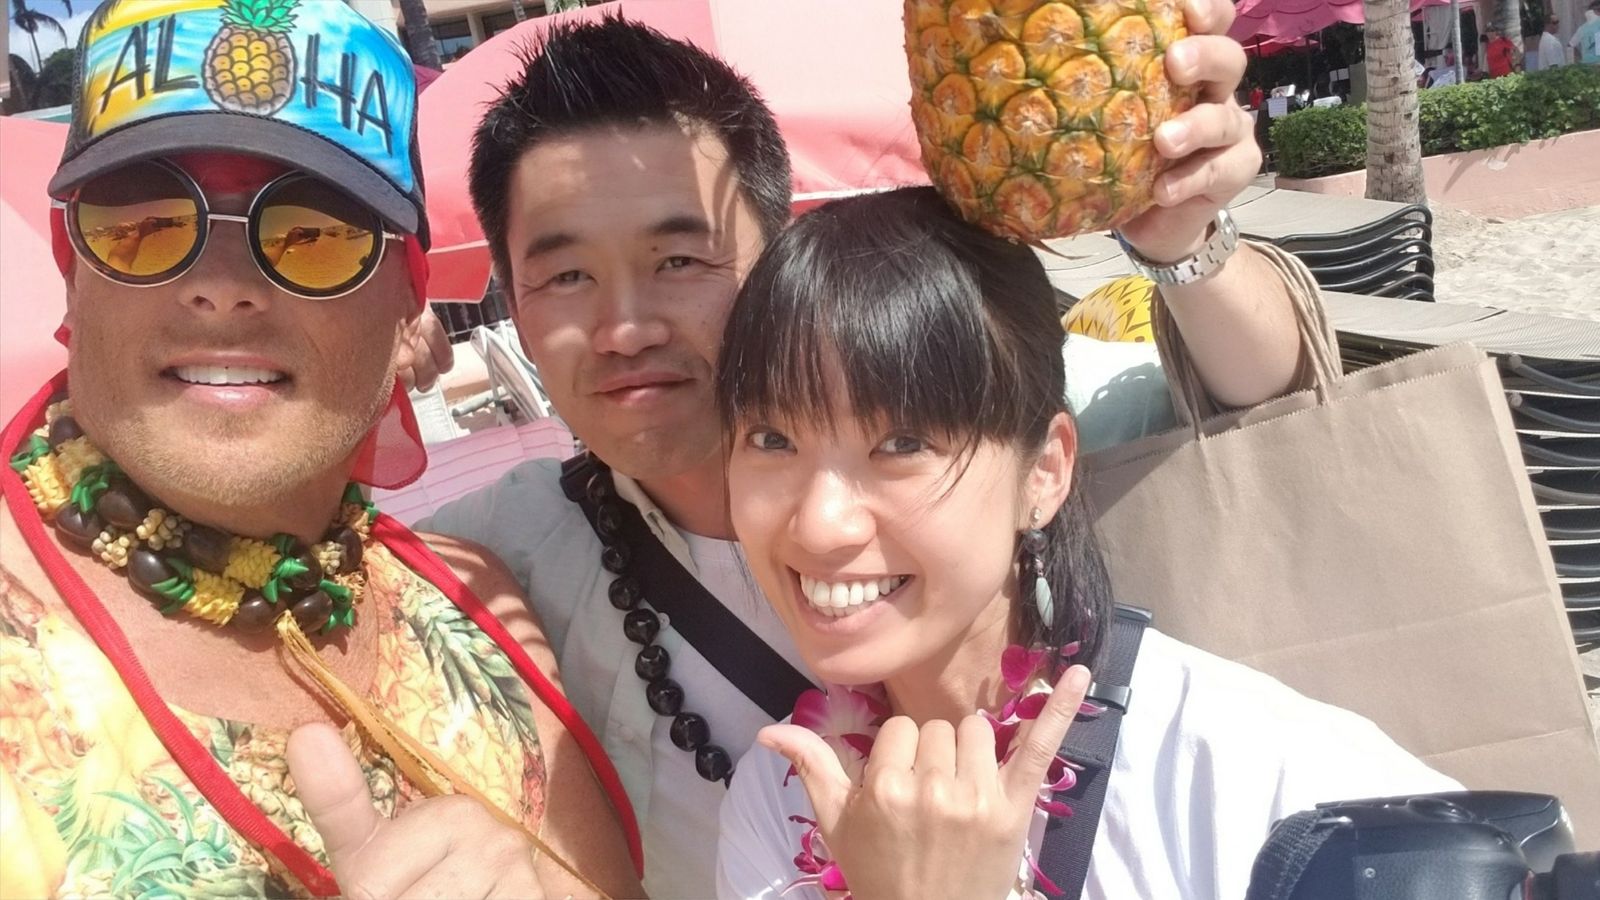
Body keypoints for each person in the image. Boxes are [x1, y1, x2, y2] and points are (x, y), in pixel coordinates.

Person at [428, 8, 1328, 896]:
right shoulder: (503, 558)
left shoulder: (968, 418)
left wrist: (1185, 239)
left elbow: (1263, 399)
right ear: (513, 302)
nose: (625, 328)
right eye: (565, 276)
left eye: (679, 260)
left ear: (779, 261)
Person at [0, 2, 638, 898]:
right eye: (142, 224)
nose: (221, 287)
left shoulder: (474, 607)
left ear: (408, 306)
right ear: (74, 271)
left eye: (314, 237)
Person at [713, 186, 1460, 900]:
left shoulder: (1254, 776)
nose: (819, 524)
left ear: (1043, 472)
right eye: (772, 439)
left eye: (902, 444)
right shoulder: (779, 797)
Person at [1570, 0, 1600, 65]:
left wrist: (1580, 59)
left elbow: (1570, 45)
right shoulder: (1583, 28)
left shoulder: (1582, 28)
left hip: (1587, 64)